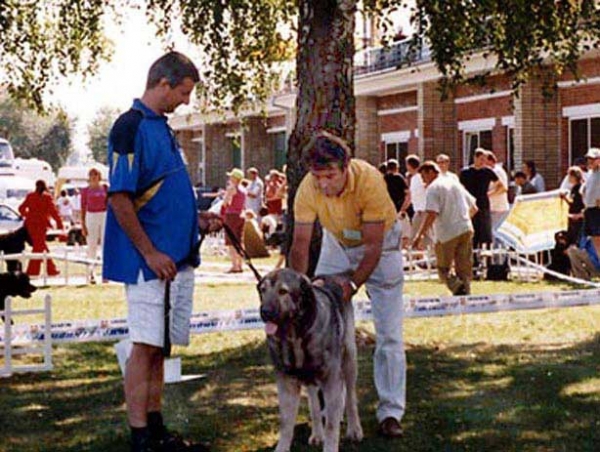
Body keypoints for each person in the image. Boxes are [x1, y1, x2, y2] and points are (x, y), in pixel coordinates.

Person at [102, 51, 218, 452]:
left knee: (159, 348)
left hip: (175, 261)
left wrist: (196, 221)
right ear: (164, 83)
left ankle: (155, 431)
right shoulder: (129, 127)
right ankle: (140, 438)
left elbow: (161, 194)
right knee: (145, 346)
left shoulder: (162, 128)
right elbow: (119, 198)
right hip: (148, 265)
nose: (186, 100)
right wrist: (149, 252)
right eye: (184, 92)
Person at [289, 130, 406, 438]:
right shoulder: (307, 188)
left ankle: (391, 412)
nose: (323, 184)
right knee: (321, 329)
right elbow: (300, 244)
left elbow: (372, 249)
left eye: (330, 176)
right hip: (336, 242)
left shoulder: (369, 181)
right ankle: (332, 410)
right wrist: (297, 288)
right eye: (318, 177)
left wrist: (351, 286)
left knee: (390, 335)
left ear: (346, 167)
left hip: (381, 245)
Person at [413, 161, 478, 295]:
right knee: (464, 267)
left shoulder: (433, 188)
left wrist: (420, 235)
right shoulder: (455, 183)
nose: (423, 181)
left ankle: (457, 288)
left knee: (443, 269)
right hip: (465, 227)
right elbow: (474, 207)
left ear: (431, 172)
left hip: (447, 232)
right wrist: (463, 219)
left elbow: (432, 213)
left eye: (424, 176)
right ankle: (466, 294)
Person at [18, 180, 64, 277]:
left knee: (40, 247)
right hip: (41, 225)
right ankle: (35, 271)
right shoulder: (47, 197)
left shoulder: (30, 196)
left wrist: (28, 215)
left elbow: (21, 208)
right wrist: (60, 224)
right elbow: (54, 212)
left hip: (30, 225)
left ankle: (49, 270)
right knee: (39, 247)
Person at [459, 148, 499, 253]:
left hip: (483, 204)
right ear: (475, 158)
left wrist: (489, 194)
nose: (483, 162)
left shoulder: (487, 172)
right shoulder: (465, 172)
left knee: (485, 232)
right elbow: (460, 188)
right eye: (481, 159)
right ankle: (472, 258)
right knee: (471, 231)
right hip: (469, 205)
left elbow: (500, 186)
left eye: (485, 160)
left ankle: (486, 258)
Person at [80, 167, 108, 283]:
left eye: (95, 175)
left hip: (103, 214)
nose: (94, 177)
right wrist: (83, 225)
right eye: (91, 175)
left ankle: (106, 273)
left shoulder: (105, 188)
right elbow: (82, 207)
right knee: (91, 245)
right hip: (91, 215)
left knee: (105, 244)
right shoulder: (86, 190)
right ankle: (91, 272)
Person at [222, 168, 247, 273]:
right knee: (239, 240)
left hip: (232, 215)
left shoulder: (232, 188)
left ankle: (234, 265)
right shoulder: (244, 190)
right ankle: (240, 264)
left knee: (231, 241)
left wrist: (226, 196)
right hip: (241, 215)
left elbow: (225, 202)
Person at [582, 147, 600, 258]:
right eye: (589, 159)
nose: (590, 162)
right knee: (594, 238)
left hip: (598, 210)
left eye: (593, 159)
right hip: (589, 210)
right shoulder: (590, 173)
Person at [560, 166, 585, 244]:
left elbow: (584, 204)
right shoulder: (573, 189)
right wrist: (565, 198)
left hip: (579, 220)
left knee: (578, 241)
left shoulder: (581, 188)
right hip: (572, 219)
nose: (568, 178)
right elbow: (573, 204)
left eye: (570, 176)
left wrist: (578, 215)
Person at [486, 151, 509, 232]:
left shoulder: (497, 171)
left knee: (495, 232)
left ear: (490, 161)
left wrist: (488, 195)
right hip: (494, 207)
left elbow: (503, 188)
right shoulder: (491, 171)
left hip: (499, 208)